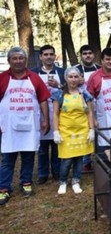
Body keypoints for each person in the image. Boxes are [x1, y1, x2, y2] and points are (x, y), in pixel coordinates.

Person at [0, 47, 50, 205]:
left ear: (25, 60)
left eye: (21, 58)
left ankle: (26, 182)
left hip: (30, 124)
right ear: (9, 61)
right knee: (8, 158)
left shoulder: (34, 78)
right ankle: (4, 188)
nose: (18, 61)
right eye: (14, 58)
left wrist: (46, 120)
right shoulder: (2, 78)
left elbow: (43, 100)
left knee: (28, 156)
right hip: (8, 126)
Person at [52, 67, 95, 194]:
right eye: (70, 76)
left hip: (82, 130)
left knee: (79, 158)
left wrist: (91, 129)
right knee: (67, 159)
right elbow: (55, 114)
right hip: (66, 131)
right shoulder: (59, 94)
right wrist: (56, 131)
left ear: (80, 78)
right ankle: (63, 181)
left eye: (76, 76)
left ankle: (76, 180)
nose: (73, 79)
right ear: (65, 78)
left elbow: (89, 113)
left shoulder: (85, 94)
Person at [31, 44, 65, 184]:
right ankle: (43, 174)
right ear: (40, 57)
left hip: (59, 113)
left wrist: (59, 86)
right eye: (45, 54)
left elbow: (70, 91)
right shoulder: (33, 73)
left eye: (51, 54)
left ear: (55, 56)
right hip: (40, 114)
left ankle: (57, 172)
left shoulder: (62, 72)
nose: (49, 57)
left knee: (57, 145)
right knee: (42, 148)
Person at [75, 44, 100, 172]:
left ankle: (100, 159)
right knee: (85, 133)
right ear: (81, 55)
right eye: (85, 54)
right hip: (82, 107)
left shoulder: (100, 69)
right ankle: (86, 162)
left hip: (99, 105)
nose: (88, 55)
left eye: (90, 53)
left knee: (99, 133)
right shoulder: (75, 70)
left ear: (93, 55)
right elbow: (67, 86)